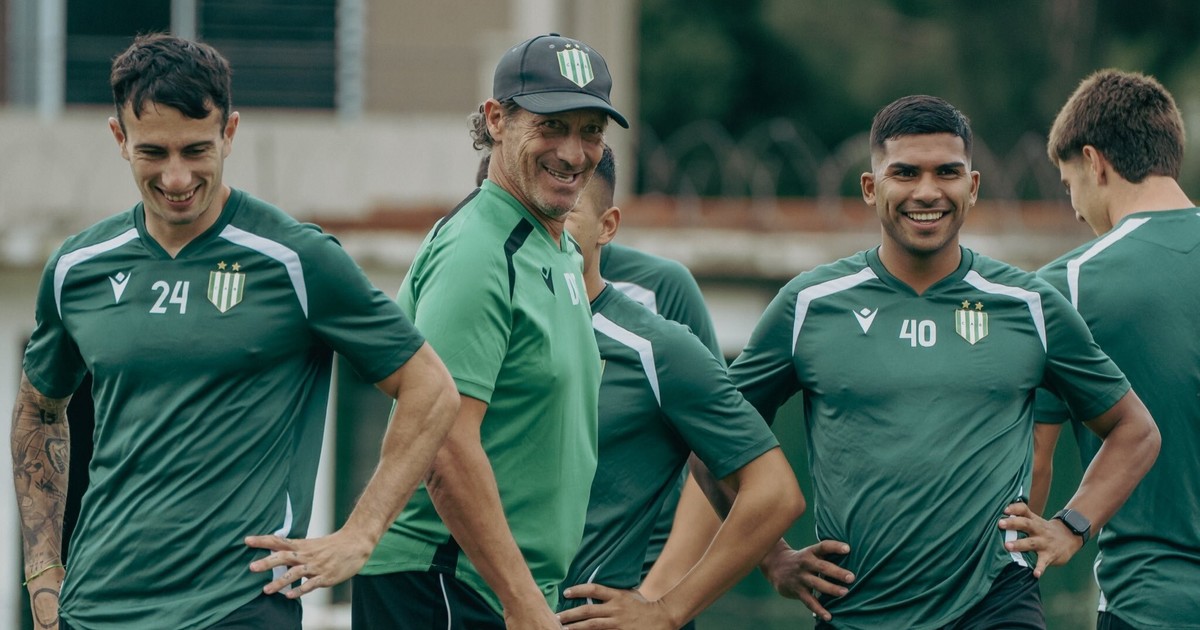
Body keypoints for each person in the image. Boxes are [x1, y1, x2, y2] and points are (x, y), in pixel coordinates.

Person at [11, 33, 458, 630]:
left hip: (239, 607)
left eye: (196, 150)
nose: (176, 177)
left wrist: (361, 534)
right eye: (153, 153)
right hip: (95, 608)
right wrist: (43, 572)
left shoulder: (296, 260)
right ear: (119, 139)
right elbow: (39, 409)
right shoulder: (78, 267)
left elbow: (431, 389)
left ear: (230, 132)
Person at [698, 94, 1160, 629]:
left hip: (996, 605)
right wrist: (772, 557)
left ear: (973, 186)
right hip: (855, 611)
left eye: (947, 172)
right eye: (905, 173)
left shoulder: (1029, 304)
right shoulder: (809, 305)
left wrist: (1072, 526)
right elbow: (712, 443)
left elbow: (1134, 430)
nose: (927, 191)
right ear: (870, 188)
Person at [353, 33, 626, 629]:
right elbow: (445, 446)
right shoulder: (479, 252)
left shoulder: (557, 246)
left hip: (495, 588)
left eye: (590, 131)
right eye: (551, 126)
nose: (574, 153)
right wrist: (521, 600)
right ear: (496, 120)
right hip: (444, 584)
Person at [553, 146, 804, 628]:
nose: (540, 226)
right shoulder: (487, 322)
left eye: (566, 210)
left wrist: (663, 606)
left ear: (607, 225)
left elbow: (725, 463)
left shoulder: (654, 322)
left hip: (616, 592)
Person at [475, 151, 726, 620]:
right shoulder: (483, 289)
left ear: (604, 223)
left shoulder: (659, 289)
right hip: (515, 587)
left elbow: (717, 456)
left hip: (632, 576)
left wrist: (659, 600)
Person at [1029, 69, 1200, 630]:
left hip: (1151, 606)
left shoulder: (1067, 286)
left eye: (1069, 185)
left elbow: (1033, 464)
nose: (1077, 210)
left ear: (1095, 163)